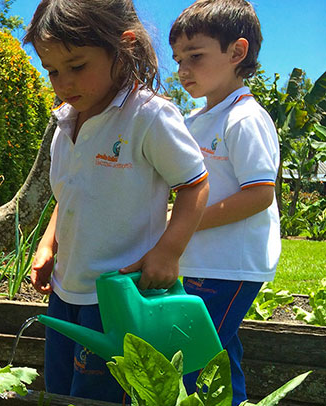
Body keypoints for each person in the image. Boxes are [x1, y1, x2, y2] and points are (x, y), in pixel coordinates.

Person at [23, 0, 210, 402]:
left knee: (100, 396)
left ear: (122, 47)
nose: (62, 82)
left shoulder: (148, 117)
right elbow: (70, 193)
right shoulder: (65, 122)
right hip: (65, 290)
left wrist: (168, 252)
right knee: (58, 391)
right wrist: (48, 243)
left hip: (117, 296)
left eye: (77, 66)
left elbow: (195, 185)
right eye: (52, 70)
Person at [170, 1, 279, 403]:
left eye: (195, 57)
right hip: (203, 260)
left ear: (237, 52)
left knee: (190, 359)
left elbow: (259, 194)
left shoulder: (245, 117)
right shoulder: (196, 118)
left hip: (231, 264)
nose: (182, 70)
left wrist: (186, 222)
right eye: (179, 59)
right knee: (218, 352)